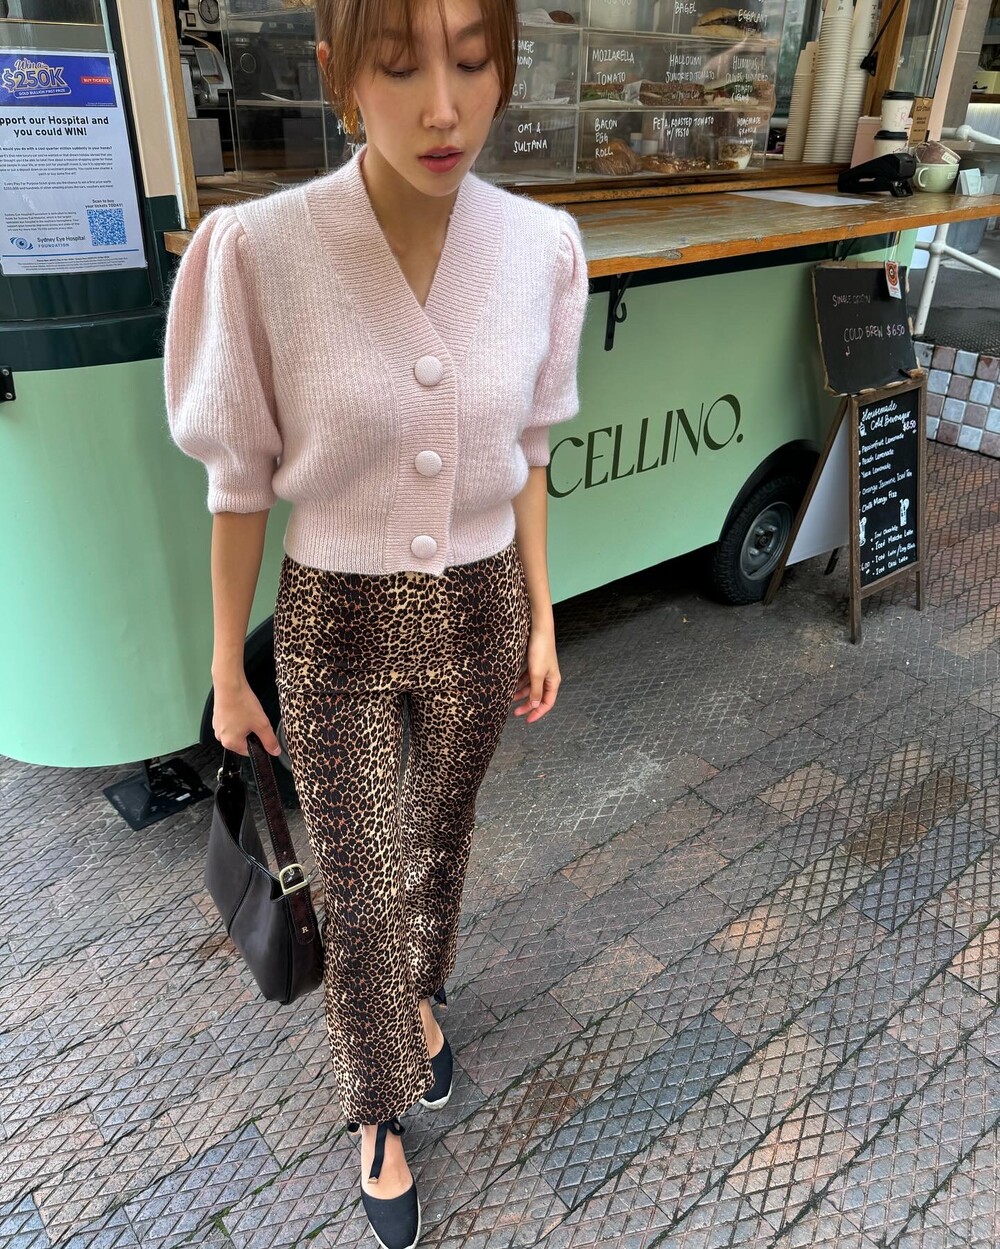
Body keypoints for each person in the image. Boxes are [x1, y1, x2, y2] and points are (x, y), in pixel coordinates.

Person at [163, 0, 589, 1240]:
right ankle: (376, 1110)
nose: (442, 108)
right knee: (354, 881)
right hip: (334, 619)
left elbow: (529, 454)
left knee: (438, 841)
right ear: (338, 73)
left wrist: (542, 613)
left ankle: (417, 997)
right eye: (399, 68)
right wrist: (226, 669)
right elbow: (237, 484)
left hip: (481, 600)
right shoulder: (262, 251)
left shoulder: (541, 248)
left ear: (505, 69)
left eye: (472, 62)